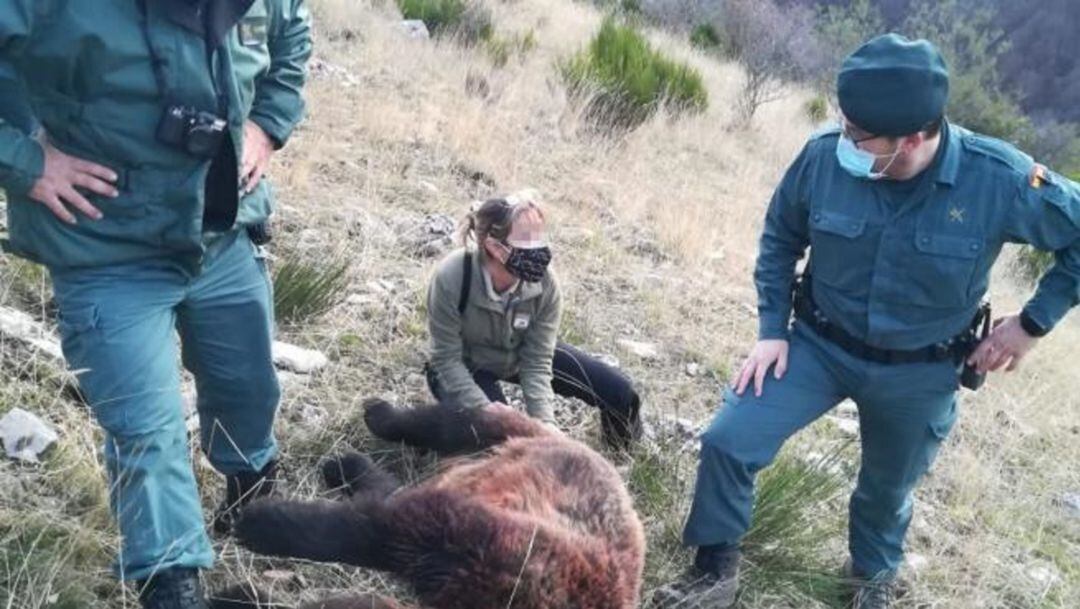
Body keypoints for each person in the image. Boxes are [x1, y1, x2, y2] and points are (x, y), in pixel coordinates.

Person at [659, 34, 1080, 609]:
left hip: (919, 370)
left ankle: (866, 586)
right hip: (817, 345)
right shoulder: (822, 156)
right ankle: (714, 571)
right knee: (729, 440)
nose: (845, 142)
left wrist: (1030, 326)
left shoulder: (998, 179)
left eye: (861, 136)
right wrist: (770, 331)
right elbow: (782, 234)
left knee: (886, 493)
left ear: (912, 139)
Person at [0, 1, 312, 607]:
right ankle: (170, 579)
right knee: (145, 432)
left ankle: (250, 483)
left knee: (247, 387)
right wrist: (27, 163)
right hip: (105, 250)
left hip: (220, 236)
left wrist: (266, 126)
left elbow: (291, 34)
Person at [424, 191, 643, 451]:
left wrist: (544, 422)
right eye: (527, 242)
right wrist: (484, 408)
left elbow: (537, 360)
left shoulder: (545, 282)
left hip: (517, 356)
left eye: (539, 239)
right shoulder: (453, 276)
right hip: (465, 365)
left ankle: (619, 459)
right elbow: (445, 359)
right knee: (499, 441)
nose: (539, 252)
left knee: (620, 393)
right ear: (495, 246)